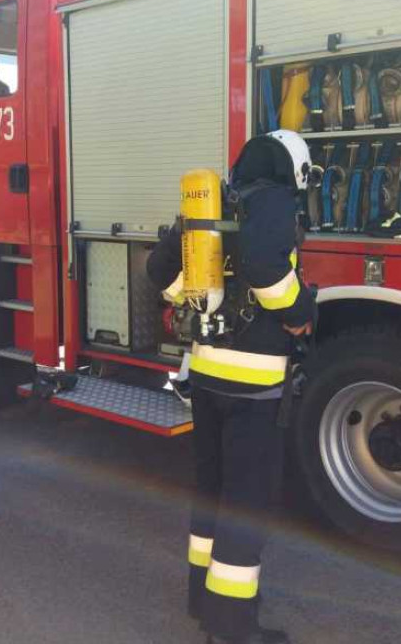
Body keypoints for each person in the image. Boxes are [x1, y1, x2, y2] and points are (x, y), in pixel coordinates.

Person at [148, 130, 317, 644]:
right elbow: (267, 268)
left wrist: (200, 302)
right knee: (247, 502)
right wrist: (298, 312)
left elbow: (159, 270)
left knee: (212, 487)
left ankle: (202, 601)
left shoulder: (218, 199)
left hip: (207, 374)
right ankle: (233, 627)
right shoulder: (276, 202)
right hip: (253, 387)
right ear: (298, 172)